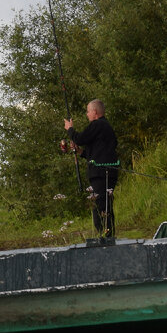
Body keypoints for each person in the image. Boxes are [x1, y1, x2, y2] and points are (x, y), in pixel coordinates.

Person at [64, 99, 119, 238]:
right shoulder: (103, 128)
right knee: (102, 205)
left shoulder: (98, 124)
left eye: (88, 111)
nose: (87, 114)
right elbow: (94, 153)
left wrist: (70, 129)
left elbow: (80, 138)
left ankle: (105, 237)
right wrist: (80, 151)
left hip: (102, 173)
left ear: (94, 112)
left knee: (101, 206)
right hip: (105, 172)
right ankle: (106, 235)